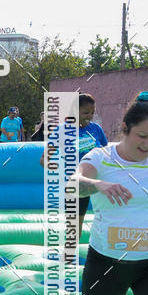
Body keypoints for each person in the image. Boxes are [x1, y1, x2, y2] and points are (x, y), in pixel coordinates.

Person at [64, 92, 148, 295]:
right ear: (125, 129)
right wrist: (99, 185)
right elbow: (72, 183)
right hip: (106, 264)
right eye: (142, 136)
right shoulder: (101, 157)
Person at [39, 93, 108, 238]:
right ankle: (70, 255)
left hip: (97, 181)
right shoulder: (62, 130)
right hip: (75, 184)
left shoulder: (96, 129)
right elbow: (44, 160)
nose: (89, 116)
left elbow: (107, 154)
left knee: (106, 220)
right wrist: (58, 168)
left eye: (92, 112)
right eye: (85, 112)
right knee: (75, 223)